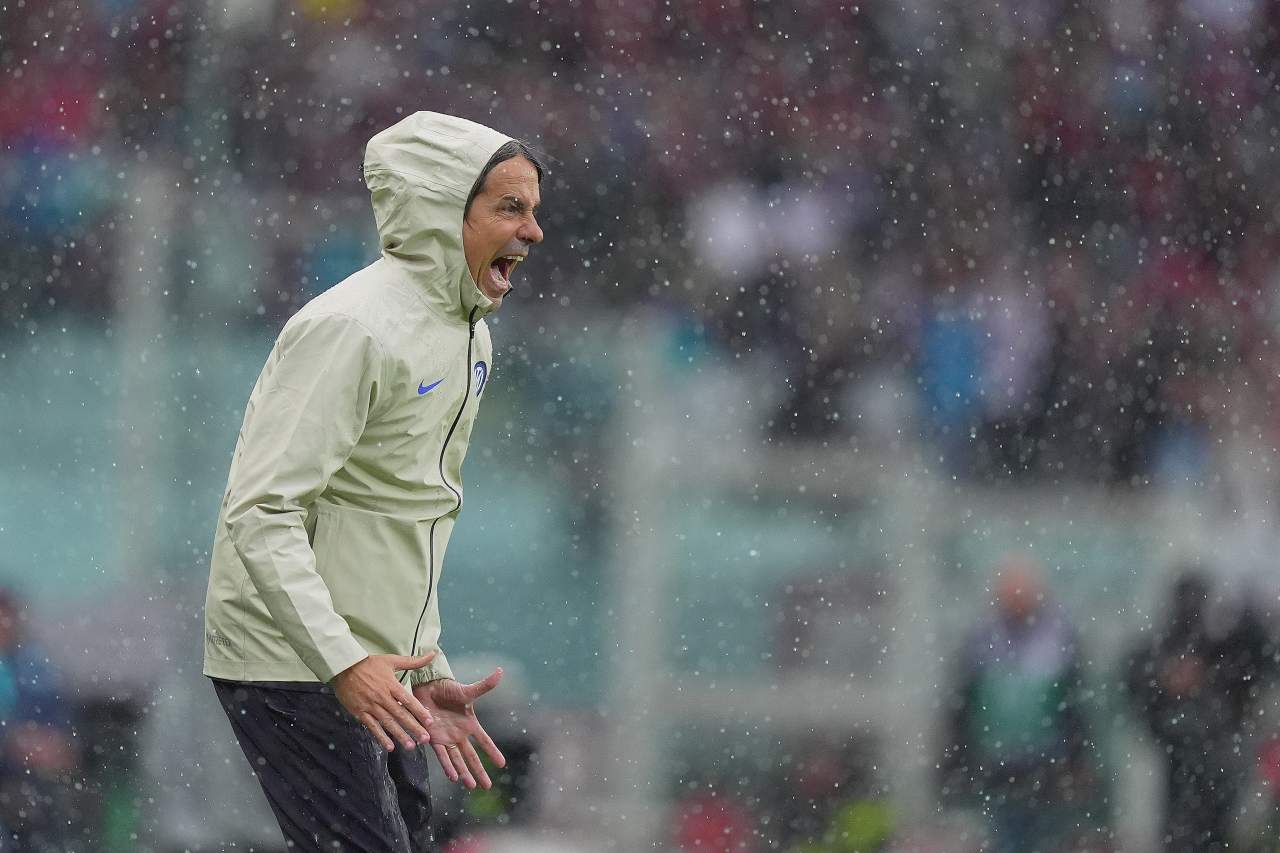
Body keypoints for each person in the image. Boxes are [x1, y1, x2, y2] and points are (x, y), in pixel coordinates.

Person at [201, 111, 545, 852]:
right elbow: (261, 511)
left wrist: (426, 666)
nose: (533, 230)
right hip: (295, 660)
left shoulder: (471, 335)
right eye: (511, 207)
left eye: (533, 209)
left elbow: (410, 512)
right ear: (442, 210)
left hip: (377, 665)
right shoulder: (349, 328)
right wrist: (344, 661)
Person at [940, 556, 1095, 853]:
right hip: (996, 759)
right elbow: (963, 702)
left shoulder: (1060, 640)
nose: (1016, 603)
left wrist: (1077, 755)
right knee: (1005, 832)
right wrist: (957, 754)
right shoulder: (981, 640)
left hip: (1048, 760)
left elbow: (1076, 703)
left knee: (1044, 835)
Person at [1125, 570, 1277, 852]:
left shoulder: (1221, 645)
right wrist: (1165, 678)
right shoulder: (1166, 649)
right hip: (1186, 765)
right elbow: (1137, 686)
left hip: (1222, 762)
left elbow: (1258, 660)